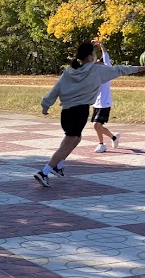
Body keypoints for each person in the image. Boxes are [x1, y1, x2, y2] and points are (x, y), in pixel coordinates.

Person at [34, 42, 145, 187]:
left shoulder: (69, 71)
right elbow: (120, 70)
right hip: (79, 112)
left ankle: (58, 166)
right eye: (94, 53)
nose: (96, 55)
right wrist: (141, 68)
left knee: (76, 139)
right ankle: (44, 172)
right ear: (90, 56)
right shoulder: (96, 71)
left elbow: (56, 88)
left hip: (66, 113)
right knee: (68, 143)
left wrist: (45, 105)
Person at [92, 42, 120, 153]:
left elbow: (106, 57)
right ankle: (114, 137)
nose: (98, 63)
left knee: (96, 124)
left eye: (100, 62)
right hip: (97, 103)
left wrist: (101, 45)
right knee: (98, 126)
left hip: (105, 103)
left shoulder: (108, 71)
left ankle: (101, 145)